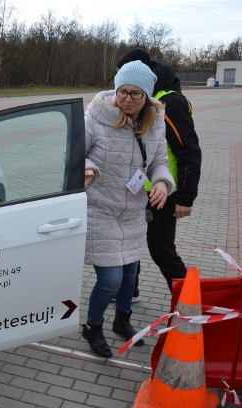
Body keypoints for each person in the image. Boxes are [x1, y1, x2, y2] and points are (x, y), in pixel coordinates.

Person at [81, 60, 175, 358]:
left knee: (131, 274)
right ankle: (92, 327)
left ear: (147, 95)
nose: (128, 100)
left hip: (133, 211)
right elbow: (73, 154)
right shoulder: (94, 117)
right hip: (100, 209)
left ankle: (122, 321)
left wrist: (162, 182)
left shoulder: (155, 121)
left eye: (136, 94)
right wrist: (87, 168)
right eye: (123, 92)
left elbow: (159, 161)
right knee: (111, 279)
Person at [116, 49, 202, 295]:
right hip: (134, 191)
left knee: (161, 250)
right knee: (129, 243)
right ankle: (128, 291)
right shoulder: (139, 98)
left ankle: (189, 301)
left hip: (161, 192)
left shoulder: (170, 103)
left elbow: (190, 152)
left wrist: (186, 197)